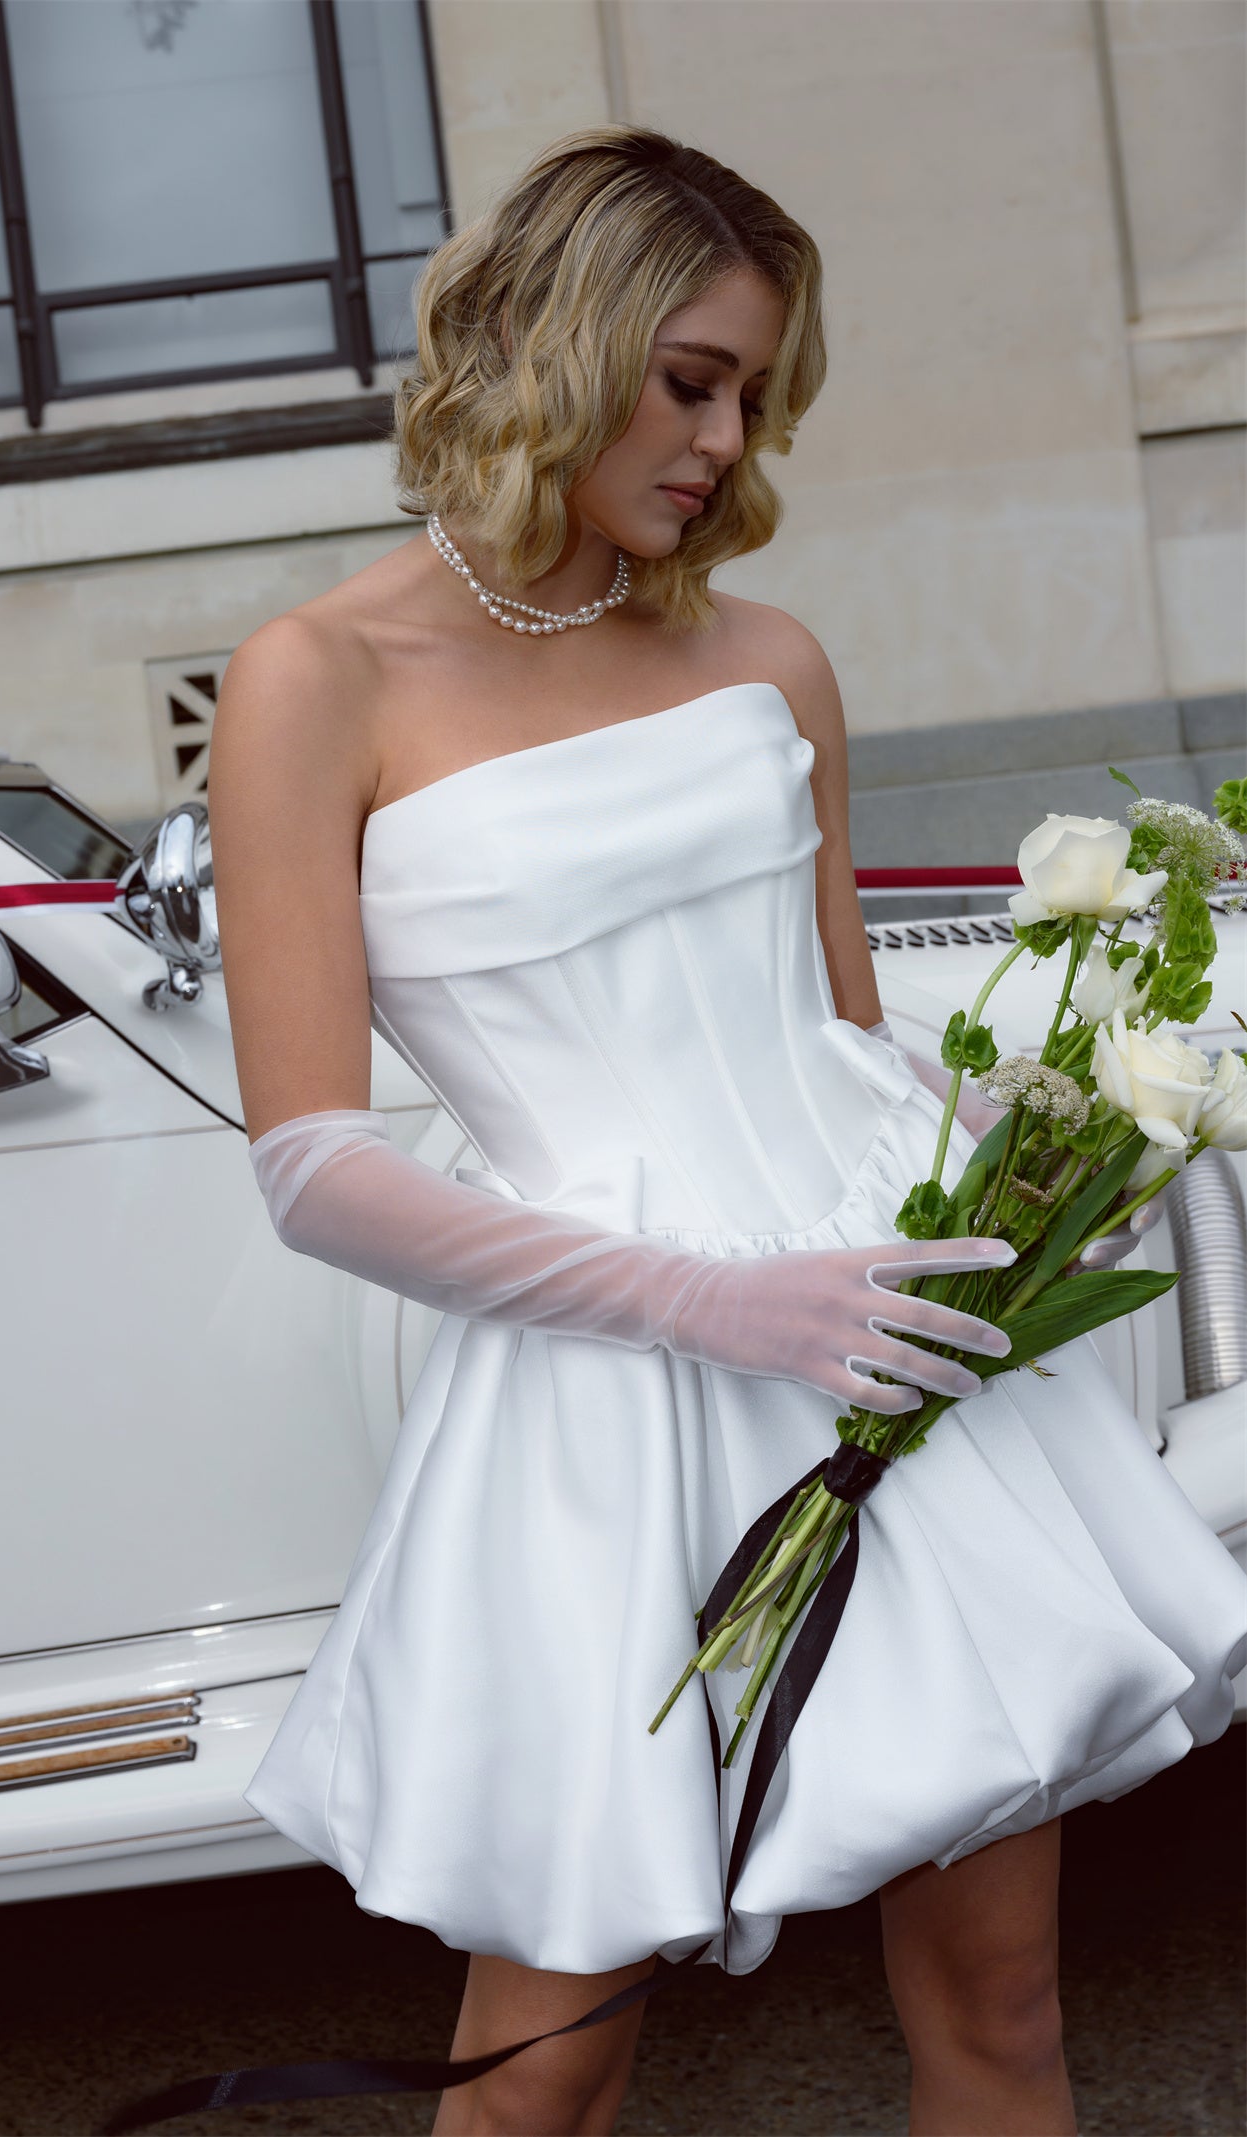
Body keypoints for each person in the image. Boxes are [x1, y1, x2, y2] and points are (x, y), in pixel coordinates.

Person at [206, 125, 1246, 2137]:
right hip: (609, 1401)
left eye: (753, 398)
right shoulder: (311, 678)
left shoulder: (768, 658)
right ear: (558, 341)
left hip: (899, 1347)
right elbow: (309, 1164)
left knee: (1005, 1999)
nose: (723, 441)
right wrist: (714, 1304)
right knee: (543, 2070)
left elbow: (837, 1035)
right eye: (689, 380)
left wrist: (1052, 1141)